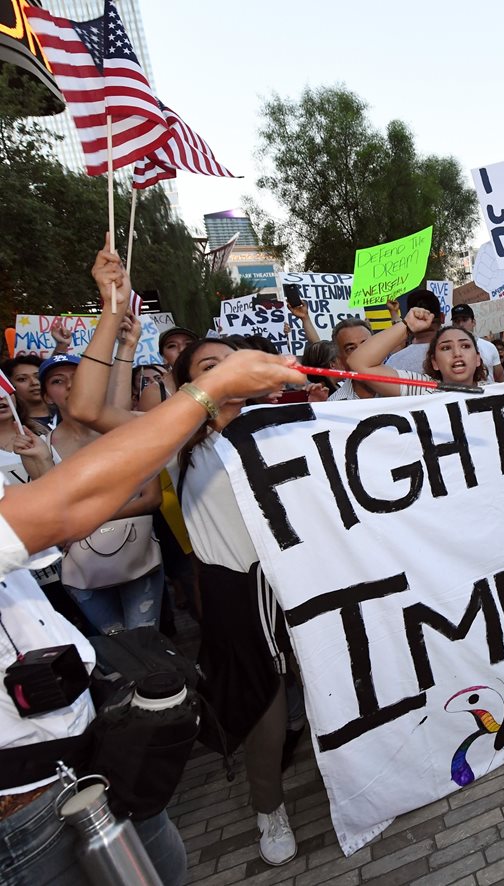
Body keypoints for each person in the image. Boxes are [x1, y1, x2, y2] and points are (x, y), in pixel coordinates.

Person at [0, 275, 302, 885]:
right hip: (238, 592)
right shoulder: (175, 439)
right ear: (191, 384)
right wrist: (112, 316)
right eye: (211, 367)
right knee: (263, 704)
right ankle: (269, 809)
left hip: (308, 581)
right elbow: (85, 408)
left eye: (235, 363)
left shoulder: (296, 422)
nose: (229, 374)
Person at [45, 347, 165, 637]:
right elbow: (50, 512)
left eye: (77, 376)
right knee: (117, 647)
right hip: (81, 567)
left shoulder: (122, 430)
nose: (70, 385)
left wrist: (88, 519)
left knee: (145, 642)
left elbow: (152, 497)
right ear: (46, 396)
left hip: (136, 554)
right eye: (57, 381)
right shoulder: (41, 447)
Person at [346, 309, 486, 396]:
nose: (457, 353)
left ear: (478, 358)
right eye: (446, 348)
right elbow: (358, 363)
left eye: (465, 346)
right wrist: (406, 326)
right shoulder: (423, 388)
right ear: (434, 362)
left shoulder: (497, 391)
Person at [384, 290, 443, 375]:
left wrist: (395, 315)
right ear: (442, 317)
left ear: (410, 320)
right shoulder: (459, 356)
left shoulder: (394, 362)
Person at [450, 304, 504, 382]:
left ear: (473, 322)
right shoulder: (448, 351)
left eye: (464, 319)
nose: (461, 324)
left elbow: (500, 378)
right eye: (456, 321)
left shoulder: (489, 347)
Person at [2, 356, 55, 435]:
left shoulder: (68, 413)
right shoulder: (13, 426)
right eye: (22, 379)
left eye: (38, 376)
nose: (34, 382)